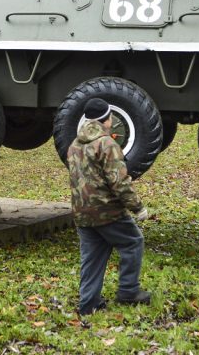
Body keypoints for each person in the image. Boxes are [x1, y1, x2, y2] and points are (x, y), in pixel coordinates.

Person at [67, 97, 151, 316]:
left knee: (92, 257)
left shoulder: (75, 144)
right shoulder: (107, 144)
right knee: (133, 242)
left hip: (81, 211)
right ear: (106, 119)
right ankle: (128, 291)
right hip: (107, 211)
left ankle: (89, 304)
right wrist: (138, 208)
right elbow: (119, 182)